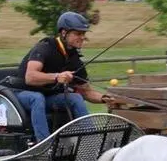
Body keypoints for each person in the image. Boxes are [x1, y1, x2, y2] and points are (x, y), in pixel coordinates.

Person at [12, 11, 111, 142]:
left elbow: (87, 92)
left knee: (76, 97)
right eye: (78, 33)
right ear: (64, 33)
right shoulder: (45, 47)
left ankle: (92, 142)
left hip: (46, 97)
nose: (82, 37)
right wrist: (56, 76)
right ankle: (44, 144)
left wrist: (106, 99)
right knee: (37, 98)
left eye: (83, 34)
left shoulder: (74, 59)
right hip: (21, 94)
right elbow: (30, 77)